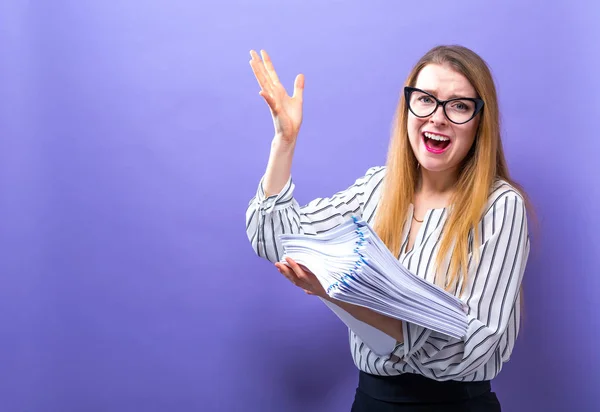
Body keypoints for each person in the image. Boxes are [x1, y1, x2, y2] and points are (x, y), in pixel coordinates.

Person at [245, 45, 530, 411]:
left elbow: (469, 350)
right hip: (372, 402)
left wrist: (338, 295)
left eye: (459, 105)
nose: (438, 118)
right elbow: (274, 237)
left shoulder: (501, 206)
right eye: (425, 99)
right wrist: (284, 141)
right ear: (407, 107)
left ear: (479, 121)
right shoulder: (377, 188)